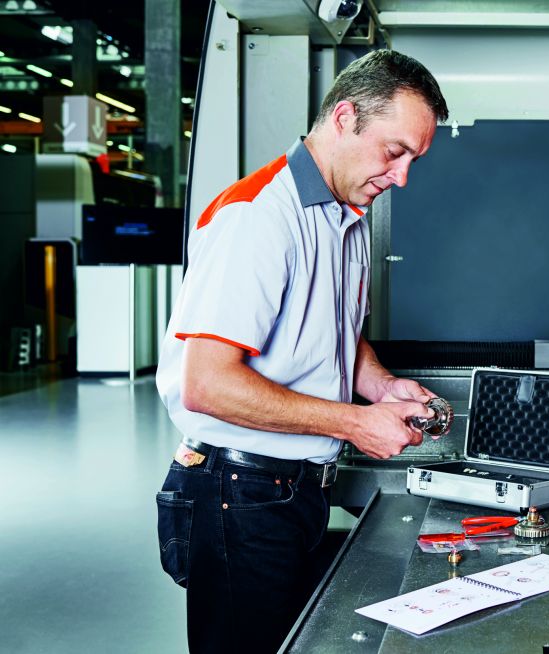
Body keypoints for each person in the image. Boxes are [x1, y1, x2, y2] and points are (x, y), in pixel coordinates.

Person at [154, 49, 449, 653]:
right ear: (344, 117)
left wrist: (381, 386)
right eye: (396, 152)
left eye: (414, 160)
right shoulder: (258, 217)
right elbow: (207, 384)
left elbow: (330, 329)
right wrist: (355, 423)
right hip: (238, 492)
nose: (403, 178)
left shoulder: (346, 215)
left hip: (294, 490)